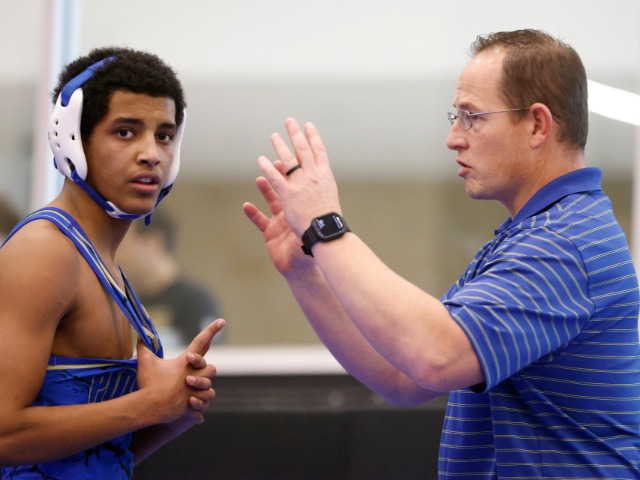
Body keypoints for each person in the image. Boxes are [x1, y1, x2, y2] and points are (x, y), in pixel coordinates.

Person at [243, 29, 640, 479]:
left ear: (537, 125)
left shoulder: (563, 241)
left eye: (471, 117)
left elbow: (434, 357)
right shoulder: (529, 237)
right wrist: (305, 273)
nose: (453, 138)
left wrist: (325, 225)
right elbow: (403, 378)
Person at [0, 47, 225, 479]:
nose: (151, 153)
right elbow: (3, 434)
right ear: (72, 139)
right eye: (125, 132)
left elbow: (100, 457)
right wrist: (148, 405)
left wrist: (174, 411)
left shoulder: (107, 266)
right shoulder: (44, 252)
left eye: (164, 135)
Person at [119, 210, 224, 349]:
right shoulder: (127, 303)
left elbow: (209, 356)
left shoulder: (195, 302)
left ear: (152, 243)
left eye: (122, 245)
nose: (116, 255)